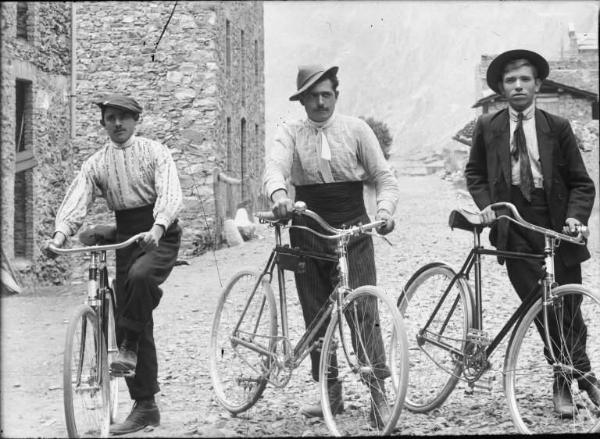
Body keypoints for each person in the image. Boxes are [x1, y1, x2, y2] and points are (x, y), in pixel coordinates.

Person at [464, 49, 600, 416]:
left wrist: (575, 218)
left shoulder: (557, 127)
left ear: (538, 84)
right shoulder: (488, 127)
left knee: (569, 306)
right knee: (542, 309)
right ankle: (576, 380)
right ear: (501, 88)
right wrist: (486, 205)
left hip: (556, 225)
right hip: (512, 226)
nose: (518, 86)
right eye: (511, 81)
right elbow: (474, 174)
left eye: (525, 79)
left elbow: (582, 183)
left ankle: (570, 379)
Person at [263, 65, 399, 426]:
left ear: (336, 95)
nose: (320, 102)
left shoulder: (356, 130)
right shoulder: (290, 132)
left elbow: (384, 177)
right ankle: (330, 391)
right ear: (302, 100)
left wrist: (384, 211)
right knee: (316, 312)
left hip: (353, 228)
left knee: (363, 309)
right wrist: (278, 194)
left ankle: (378, 395)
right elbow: (274, 168)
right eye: (312, 96)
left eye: (326, 94)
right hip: (307, 228)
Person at [45, 94, 183, 434]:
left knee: (139, 279)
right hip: (125, 234)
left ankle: (130, 343)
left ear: (136, 120)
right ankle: (146, 406)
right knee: (133, 309)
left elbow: (170, 195)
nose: (117, 124)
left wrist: (158, 226)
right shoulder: (97, 162)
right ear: (103, 123)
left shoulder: (155, 152)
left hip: (159, 234)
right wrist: (60, 236)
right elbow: (79, 197)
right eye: (111, 118)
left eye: (124, 117)